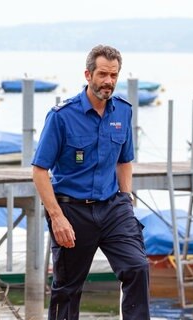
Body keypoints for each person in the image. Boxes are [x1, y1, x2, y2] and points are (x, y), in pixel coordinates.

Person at [32, 45, 150, 320]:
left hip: (113, 207)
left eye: (113, 75)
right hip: (72, 211)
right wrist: (57, 217)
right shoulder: (61, 116)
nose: (108, 81)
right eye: (102, 74)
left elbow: (124, 161)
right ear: (88, 74)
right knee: (67, 289)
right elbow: (39, 171)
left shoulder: (123, 111)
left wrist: (126, 197)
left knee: (137, 267)